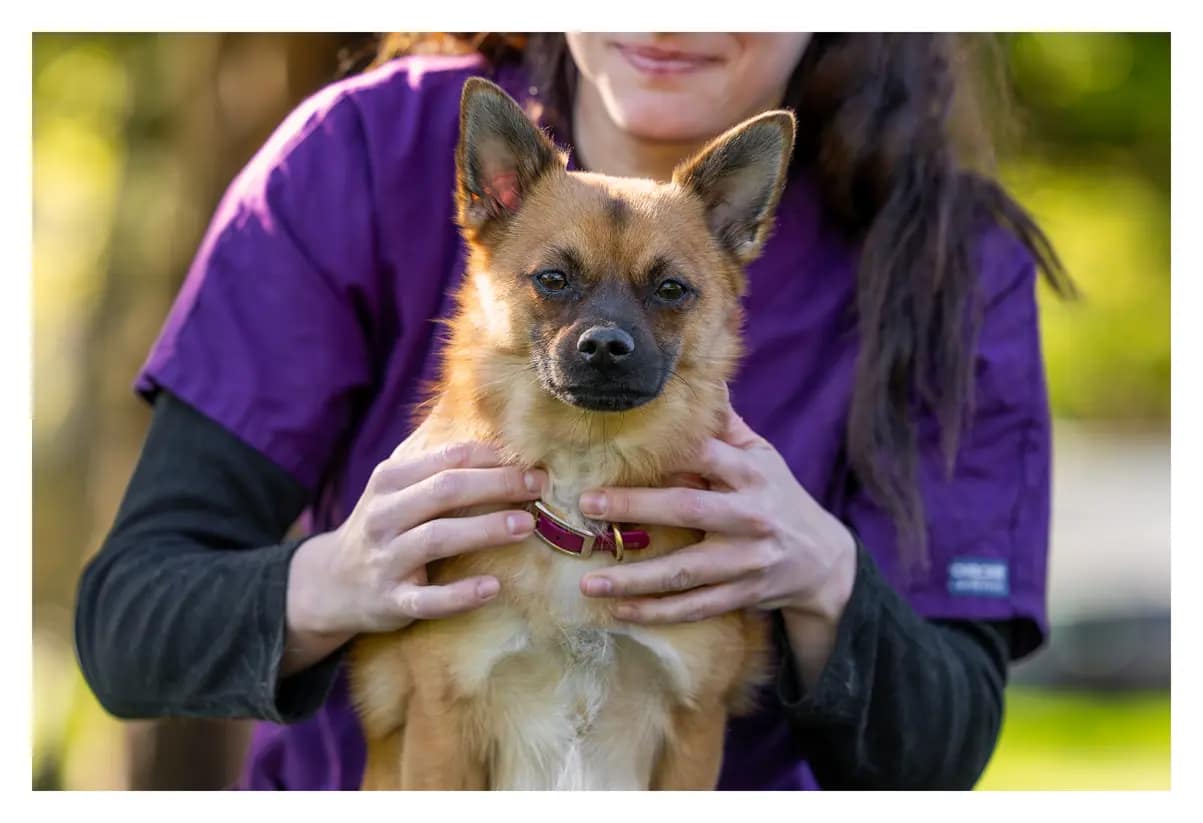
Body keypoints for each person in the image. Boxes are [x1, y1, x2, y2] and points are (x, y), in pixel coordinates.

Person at [74, 33, 1070, 790]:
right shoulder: (362, 153)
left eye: (668, 292)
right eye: (554, 283)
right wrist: (339, 574)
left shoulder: (951, 260)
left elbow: (943, 748)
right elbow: (128, 626)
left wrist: (822, 579)